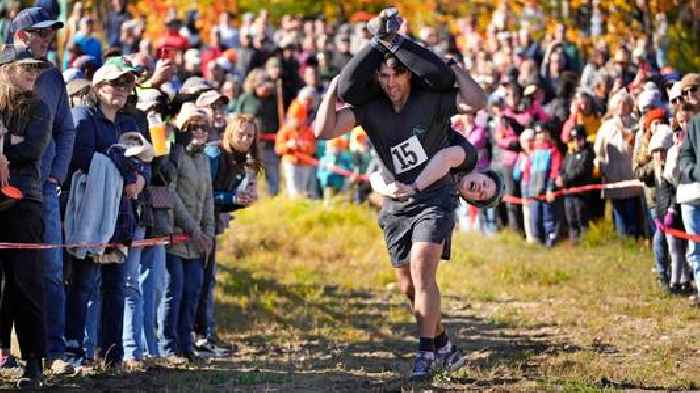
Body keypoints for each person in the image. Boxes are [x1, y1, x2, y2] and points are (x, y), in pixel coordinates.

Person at [314, 9, 492, 381]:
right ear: (376, 77)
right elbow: (324, 131)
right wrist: (332, 90)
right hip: (395, 205)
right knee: (409, 288)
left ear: (409, 73)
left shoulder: (432, 100)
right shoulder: (370, 109)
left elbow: (476, 102)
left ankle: (424, 356)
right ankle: (442, 343)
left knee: (422, 269)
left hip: (435, 199)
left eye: (397, 73)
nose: (391, 81)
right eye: (383, 75)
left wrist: (455, 68)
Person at [10, 6, 76, 374]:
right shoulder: (4, 73)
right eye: (42, 33)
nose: (49, 39)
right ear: (22, 36)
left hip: (43, 189)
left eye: (51, 32)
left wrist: (57, 175)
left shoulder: (53, 78)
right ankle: (6, 350)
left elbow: (66, 129)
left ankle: (54, 352)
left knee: (49, 270)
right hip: (5, 187)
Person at [64, 63, 144, 369]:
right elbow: (82, 159)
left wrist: (139, 178)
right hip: (90, 213)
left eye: (126, 84)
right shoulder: (84, 117)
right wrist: (122, 169)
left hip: (121, 215)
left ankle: (112, 355)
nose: (122, 89)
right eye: (115, 83)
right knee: (82, 283)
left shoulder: (128, 123)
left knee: (115, 287)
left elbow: (143, 161)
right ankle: (72, 350)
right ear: (98, 87)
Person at [0, 44, 51, 389]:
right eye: (26, 67)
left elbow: (30, 150)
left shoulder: (40, 109)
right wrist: (8, 140)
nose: (33, 73)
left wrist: (4, 146)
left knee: (25, 282)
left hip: (24, 199)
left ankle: (34, 361)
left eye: (36, 68)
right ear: (5, 70)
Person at [161, 103, 214, 362]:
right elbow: (171, 196)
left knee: (193, 291)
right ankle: (168, 347)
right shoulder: (175, 155)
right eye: (194, 126)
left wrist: (209, 234)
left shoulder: (204, 159)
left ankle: (185, 345)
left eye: (204, 127)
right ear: (184, 128)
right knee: (174, 292)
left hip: (197, 242)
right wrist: (194, 230)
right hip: (175, 236)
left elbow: (209, 201)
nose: (201, 131)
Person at [558, 126, 594, 243]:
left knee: (581, 218)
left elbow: (581, 170)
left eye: (579, 138)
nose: (576, 141)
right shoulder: (570, 154)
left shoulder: (587, 153)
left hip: (581, 193)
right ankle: (574, 241)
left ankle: (585, 241)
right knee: (571, 218)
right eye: (573, 139)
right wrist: (560, 178)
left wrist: (565, 180)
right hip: (568, 192)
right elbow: (563, 168)